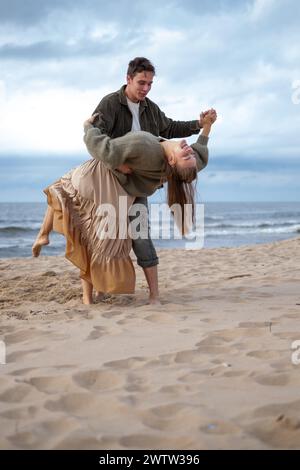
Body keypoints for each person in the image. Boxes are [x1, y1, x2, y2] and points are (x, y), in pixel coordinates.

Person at [32, 110, 216, 304]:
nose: (189, 151)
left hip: (107, 183)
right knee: (87, 224)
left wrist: (88, 127)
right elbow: (199, 156)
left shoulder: (145, 147)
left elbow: (103, 149)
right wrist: (206, 127)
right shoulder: (184, 164)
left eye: (188, 156)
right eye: (190, 155)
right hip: (114, 183)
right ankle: (95, 290)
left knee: (83, 220)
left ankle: (93, 290)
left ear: (171, 162)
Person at [92, 57, 213, 304]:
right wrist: (116, 163)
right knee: (105, 236)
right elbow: (96, 139)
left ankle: (154, 295)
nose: (145, 88)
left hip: (140, 183)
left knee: (140, 235)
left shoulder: (150, 108)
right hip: (111, 182)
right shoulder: (110, 103)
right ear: (128, 79)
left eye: (149, 84)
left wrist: (200, 124)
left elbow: (169, 128)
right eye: (141, 82)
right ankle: (99, 289)